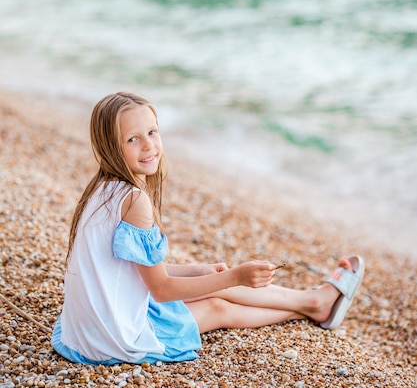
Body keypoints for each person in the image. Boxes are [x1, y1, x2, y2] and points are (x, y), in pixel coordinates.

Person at [51, 92, 365, 365]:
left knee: (214, 283)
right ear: (110, 146)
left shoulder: (100, 190)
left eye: (152, 132)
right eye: (133, 139)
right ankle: (314, 305)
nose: (149, 146)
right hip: (110, 342)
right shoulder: (134, 200)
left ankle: (312, 301)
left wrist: (198, 270)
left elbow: (131, 270)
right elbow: (160, 290)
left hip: (82, 332)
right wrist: (233, 277)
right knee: (218, 305)